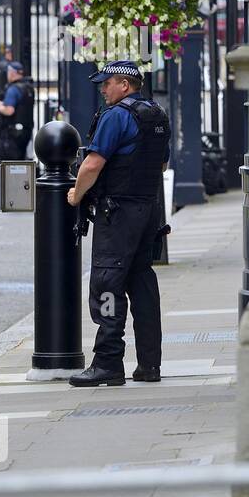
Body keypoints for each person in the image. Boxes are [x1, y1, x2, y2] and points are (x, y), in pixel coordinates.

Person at [65, 60, 171, 387]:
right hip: (148, 209)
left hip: (119, 212)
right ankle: (149, 365)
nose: (102, 89)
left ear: (124, 85)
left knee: (108, 281)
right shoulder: (155, 114)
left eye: (107, 83)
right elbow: (162, 162)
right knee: (142, 283)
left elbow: (92, 164)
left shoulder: (117, 115)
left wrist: (76, 195)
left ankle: (108, 362)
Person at [0, 59, 34, 160]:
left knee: (10, 165)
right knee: (21, 161)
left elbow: (9, 110)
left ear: (12, 73)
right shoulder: (28, 88)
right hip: (25, 132)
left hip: (12, 135)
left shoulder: (13, 89)